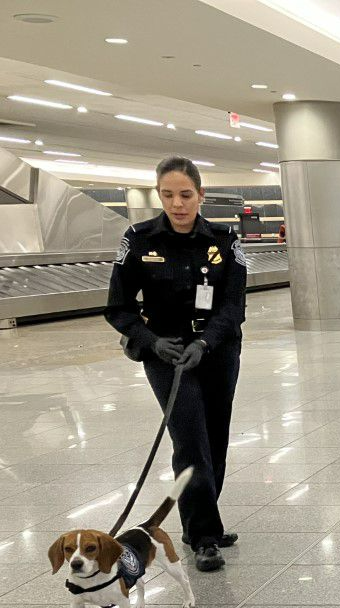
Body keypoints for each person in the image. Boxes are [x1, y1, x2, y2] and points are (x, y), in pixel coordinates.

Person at [105, 156, 247, 573]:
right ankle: (204, 536)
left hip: (216, 352)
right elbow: (118, 308)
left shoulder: (224, 241)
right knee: (189, 439)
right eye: (168, 195)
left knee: (216, 436)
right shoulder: (138, 239)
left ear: (200, 195)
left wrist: (206, 342)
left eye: (186, 195)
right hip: (166, 356)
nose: (177, 204)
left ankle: (201, 519)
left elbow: (232, 306)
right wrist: (150, 341)